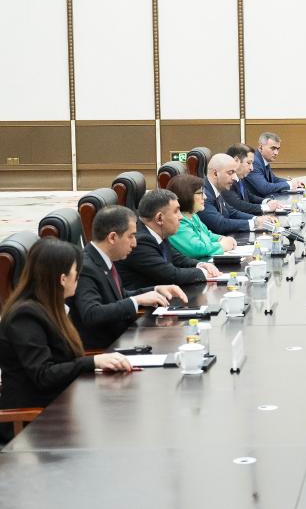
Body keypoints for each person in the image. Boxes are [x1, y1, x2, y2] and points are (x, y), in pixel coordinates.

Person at [0, 239, 134, 442]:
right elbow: (43, 374)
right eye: (76, 273)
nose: (78, 279)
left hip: (60, 403)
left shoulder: (51, 307)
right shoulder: (25, 315)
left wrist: (96, 362)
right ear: (62, 279)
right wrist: (93, 361)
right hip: (30, 421)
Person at [68, 206, 188, 349]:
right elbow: (92, 313)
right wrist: (136, 301)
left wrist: (155, 290)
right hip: (104, 350)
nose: (134, 243)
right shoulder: (86, 267)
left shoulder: (103, 259)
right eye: (131, 236)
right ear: (112, 237)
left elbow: (119, 297)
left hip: (122, 339)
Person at [116, 189, 221, 289]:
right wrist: (204, 272)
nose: (181, 217)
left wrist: (201, 264)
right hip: (144, 300)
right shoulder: (140, 241)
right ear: (159, 218)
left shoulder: (158, 232)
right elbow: (171, 275)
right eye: (176, 211)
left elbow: (177, 258)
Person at [199, 153, 274, 235]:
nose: (235, 178)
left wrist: (256, 219)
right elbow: (220, 224)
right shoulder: (203, 195)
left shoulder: (215, 188)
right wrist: (254, 224)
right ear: (215, 174)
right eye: (230, 173)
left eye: (235, 172)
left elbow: (231, 212)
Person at [167, 174, 237, 260]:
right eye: (200, 193)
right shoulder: (177, 222)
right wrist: (221, 246)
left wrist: (221, 238)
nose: (205, 197)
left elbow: (207, 234)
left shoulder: (193, 216)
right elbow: (196, 249)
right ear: (186, 195)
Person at [223, 143, 284, 216]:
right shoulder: (225, 180)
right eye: (248, 163)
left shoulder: (240, 177)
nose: (252, 168)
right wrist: (266, 207)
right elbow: (237, 205)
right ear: (236, 160)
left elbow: (249, 196)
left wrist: (267, 201)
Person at [245, 132, 305, 199]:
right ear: (261, 147)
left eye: (278, 149)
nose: (276, 153)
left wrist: (292, 182)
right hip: (254, 203)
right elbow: (264, 188)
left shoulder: (263, 159)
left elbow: (273, 179)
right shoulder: (254, 162)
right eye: (273, 148)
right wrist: (289, 184)